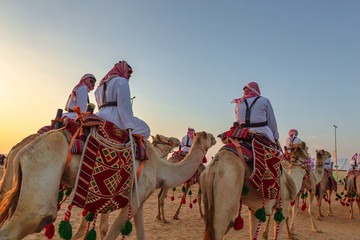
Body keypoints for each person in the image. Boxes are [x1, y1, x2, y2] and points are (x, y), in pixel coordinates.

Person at [94, 60, 150, 139]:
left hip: (99, 115)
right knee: (145, 128)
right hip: (115, 117)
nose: (129, 76)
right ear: (122, 70)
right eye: (128, 73)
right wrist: (128, 125)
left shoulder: (98, 88)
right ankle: (131, 147)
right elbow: (124, 107)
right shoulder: (122, 81)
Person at [231, 81, 280, 146]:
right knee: (275, 153)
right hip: (262, 132)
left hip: (241, 133)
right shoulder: (264, 101)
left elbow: (238, 120)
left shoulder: (238, 103)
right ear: (256, 89)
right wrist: (276, 138)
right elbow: (271, 121)